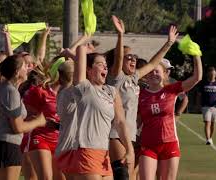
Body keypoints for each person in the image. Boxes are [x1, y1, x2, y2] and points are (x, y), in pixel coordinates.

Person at [106, 15, 179, 180]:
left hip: (131, 135)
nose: (133, 59)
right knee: (122, 175)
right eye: (128, 58)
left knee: (130, 176)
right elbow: (117, 58)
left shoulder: (134, 78)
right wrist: (120, 35)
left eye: (134, 57)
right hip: (115, 134)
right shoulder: (116, 77)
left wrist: (169, 43)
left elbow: (153, 64)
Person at [55, 45, 134, 180]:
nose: (105, 67)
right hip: (86, 151)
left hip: (104, 153)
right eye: (99, 64)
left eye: (105, 64)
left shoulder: (111, 91)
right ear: (89, 70)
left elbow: (120, 122)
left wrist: (130, 150)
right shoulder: (85, 88)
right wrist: (82, 46)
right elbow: (80, 50)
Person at [0, 54, 46, 180]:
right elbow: (18, 127)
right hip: (8, 147)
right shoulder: (11, 91)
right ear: (17, 71)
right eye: (25, 66)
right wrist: (38, 121)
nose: (28, 68)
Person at [138, 55, 202, 180]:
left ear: (164, 74)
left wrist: (196, 55)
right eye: (150, 71)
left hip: (169, 143)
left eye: (157, 71)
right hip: (148, 144)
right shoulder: (140, 94)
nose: (153, 74)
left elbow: (196, 78)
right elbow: (137, 120)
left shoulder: (171, 89)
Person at [197, 66, 216, 145]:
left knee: (213, 123)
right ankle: (208, 139)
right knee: (207, 122)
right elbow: (199, 94)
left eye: (214, 74)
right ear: (208, 74)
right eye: (211, 74)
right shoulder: (203, 83)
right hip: (206, 106)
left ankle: (211, 138)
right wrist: (198, 105)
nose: (212, 76)